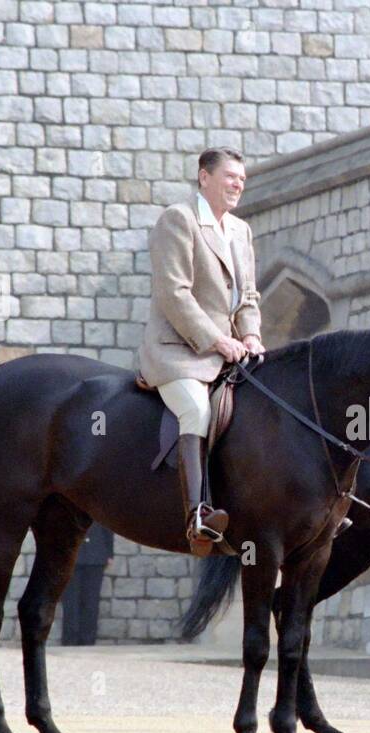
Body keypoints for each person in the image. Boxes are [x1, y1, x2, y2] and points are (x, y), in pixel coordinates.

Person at [136, 147, 264, 556]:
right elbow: (174, 294)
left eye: (242, 179)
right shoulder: (179, 220)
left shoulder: (241, 231)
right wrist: (215, 339)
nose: (238, 184)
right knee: (196, 409)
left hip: (229, 353)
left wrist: (251, 336)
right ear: (204, 177)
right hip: (179, 351)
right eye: (230, 176)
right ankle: (198, 514)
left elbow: (247, 297)